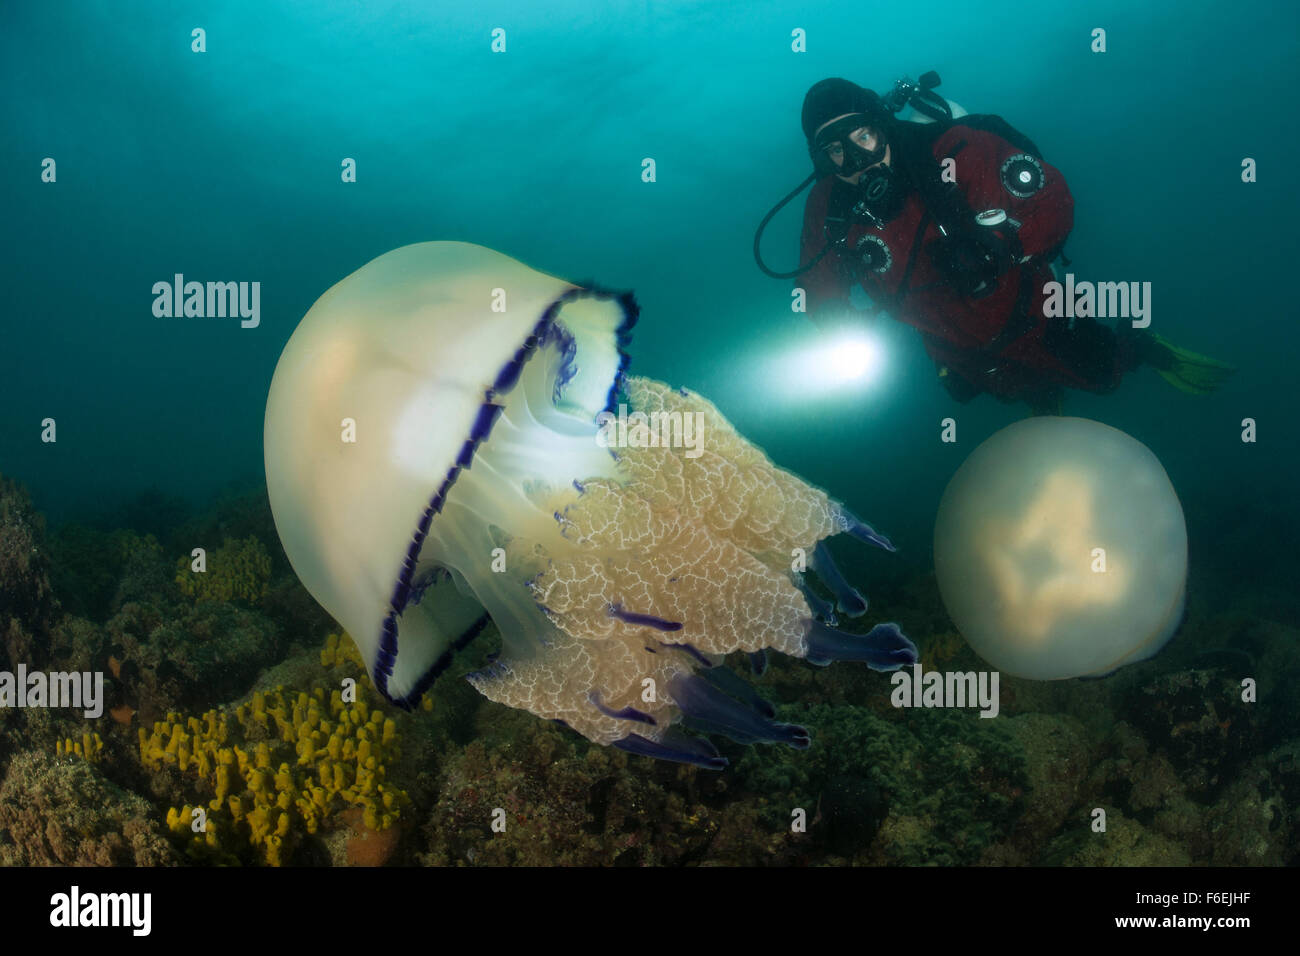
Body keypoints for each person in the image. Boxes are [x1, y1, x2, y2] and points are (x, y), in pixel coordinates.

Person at [760, 76, 1233, 413]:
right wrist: (843, 325)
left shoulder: (952, 151)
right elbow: (815, 287)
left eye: (863, 135)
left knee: (1103, 377)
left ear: (883, 124)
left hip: (1032, 313)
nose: (857, 160)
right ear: (821, 161)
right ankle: (1040, 399)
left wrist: (1001, 247)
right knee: (1011, 392)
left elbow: (1051, 200)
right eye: (836, 150)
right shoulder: (830, 207)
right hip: (953, 348)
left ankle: (1142, 347)